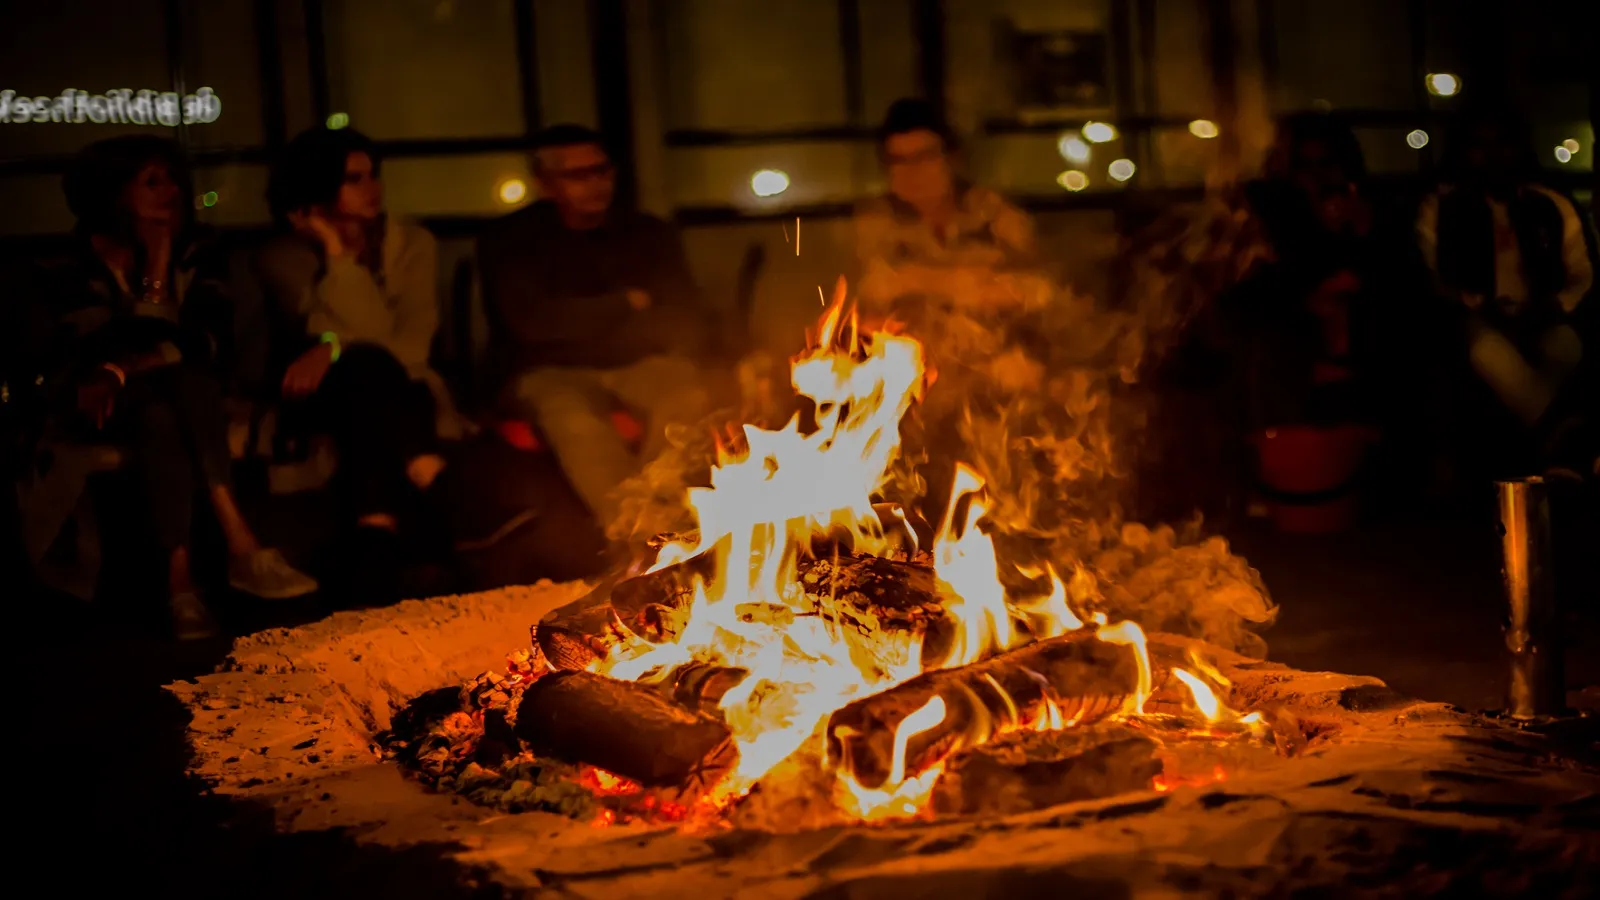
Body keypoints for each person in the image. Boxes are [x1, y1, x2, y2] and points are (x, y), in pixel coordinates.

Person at [26, 136, 316, 638]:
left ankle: (180, 585)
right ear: (113, 194)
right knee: (174, 379)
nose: (172, 192)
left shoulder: (200, 254)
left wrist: (126, 362)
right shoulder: (65, 270)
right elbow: (106, 348)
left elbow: (209, 341)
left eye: (174, 179)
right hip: (95, 405)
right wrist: (155, 275)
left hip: (167, 401)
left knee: (168, 403)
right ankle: (240, 544)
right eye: (152, 182)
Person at [476, 124, 713, 531]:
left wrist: (580, 320)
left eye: (601, 170)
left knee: (690, 393)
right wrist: (626, 303)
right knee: (576, 422)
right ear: (546, 185)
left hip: (636, 362)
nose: (595, 184)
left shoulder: (647, 234)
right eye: (577, 175)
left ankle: (654, 520)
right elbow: (532, 325)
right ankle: (638, 534)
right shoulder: (510, 240)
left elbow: (680, 319)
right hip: (548, 371)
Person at [255, 126, 458, 597]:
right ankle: (429, 480)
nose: (373, 189)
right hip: (314, 393)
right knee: (367, 370)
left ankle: (376, 535)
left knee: (373, 373)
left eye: (374, 175)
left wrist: (330, 344)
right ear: (318, 186)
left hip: (396, 383)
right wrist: (336, 255)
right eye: (354, 178)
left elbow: (411, 344)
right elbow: (359, 337)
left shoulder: (413, 244)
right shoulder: (282, 255)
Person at [1416, 106, 1595, 473]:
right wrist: (1472, 305)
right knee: (1488, 349)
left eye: (1502, 143)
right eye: (1479, 145)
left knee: (1565, 347)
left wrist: (1554, 306)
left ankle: (1543, 447)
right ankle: (1567, 447)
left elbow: (1584, 273)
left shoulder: (1551, 204)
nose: (1493, 155)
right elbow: (1427, 274)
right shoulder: (1442, 207)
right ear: (1463, 151)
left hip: (1544, 316)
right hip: (1472, 321)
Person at [853, 98, 1041, 324]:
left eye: (924, 157)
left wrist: (918, 280)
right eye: (899, 161)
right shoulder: (877, 220)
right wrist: (962, 282)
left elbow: (1037, 289)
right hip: (911, 351)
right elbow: (872, 290)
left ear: (951, 159)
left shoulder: (992, 212)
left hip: (997, 347)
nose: (912, 171)